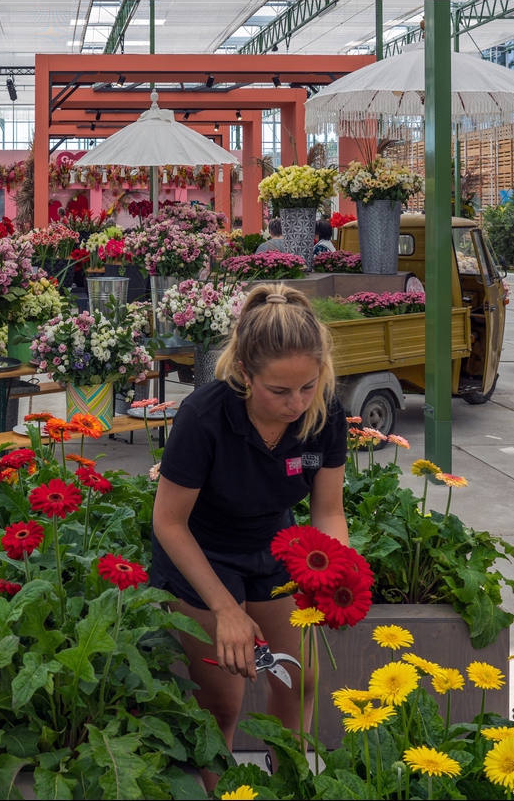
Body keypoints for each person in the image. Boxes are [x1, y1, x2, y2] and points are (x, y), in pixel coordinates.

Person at [151, 283, 349, 790]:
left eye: (307, 386)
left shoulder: (323, 414)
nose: (296, 403)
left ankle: (290, 786)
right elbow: (168, 523)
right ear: (244, 373)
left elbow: (327, 513)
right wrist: (225, 609)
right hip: (202, 553)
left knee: (302, 681)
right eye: (279, 391)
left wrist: (337, 573)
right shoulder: (203, 417)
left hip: (273, 548)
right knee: (223, 700)